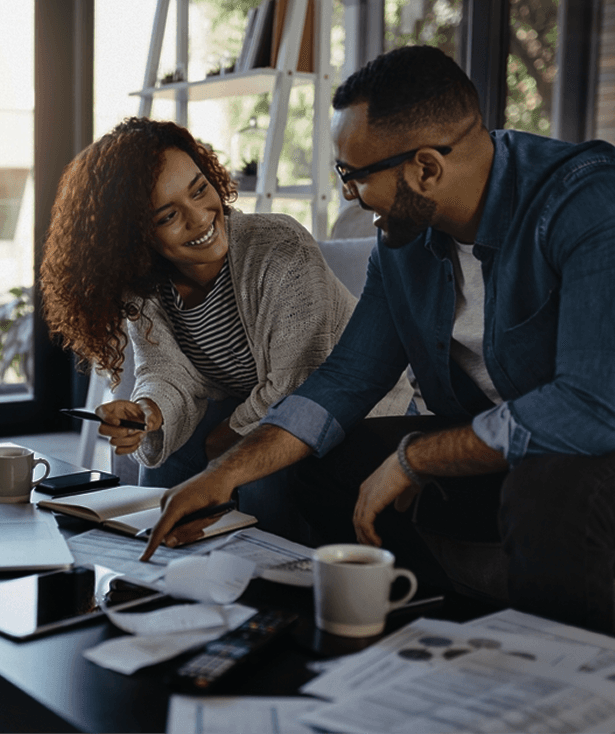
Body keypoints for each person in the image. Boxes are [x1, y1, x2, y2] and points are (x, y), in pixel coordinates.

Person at [141, 45, 615, 635]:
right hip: (496, 449)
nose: (346, 195)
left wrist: (416, 457)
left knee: (545, 487)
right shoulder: (403, 242)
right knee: (323, 460)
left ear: (425, 168)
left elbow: (591, 405)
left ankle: (557, 685)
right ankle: (416, 623)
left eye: (353, 175)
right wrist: (225, 474)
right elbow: (344, 380)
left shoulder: (586, 203)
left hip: (590, 449)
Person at [39, 117, 412, 538]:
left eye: (199, 190)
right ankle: (153, 558)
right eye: (168, 216)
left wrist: (224, 445)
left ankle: (265, 574)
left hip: (356, 413)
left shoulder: (279, 248)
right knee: (178, 449)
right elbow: (166, 374)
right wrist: (146, 414)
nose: (199, 218)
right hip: (262, 406)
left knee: (254, 463)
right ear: (134, 238)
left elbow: (298, 384)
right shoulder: (145, 287)